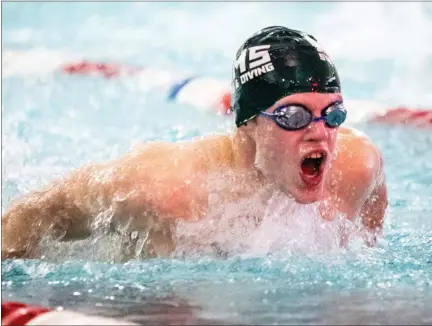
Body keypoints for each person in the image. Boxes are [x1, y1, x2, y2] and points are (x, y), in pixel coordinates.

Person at [1, 26, 388, 260]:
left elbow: (367, 250)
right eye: (294, 116)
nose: (320, 132)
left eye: (333, 113)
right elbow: (27, 220)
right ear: (248, 122)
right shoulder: (165, 189)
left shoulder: (357, 167)